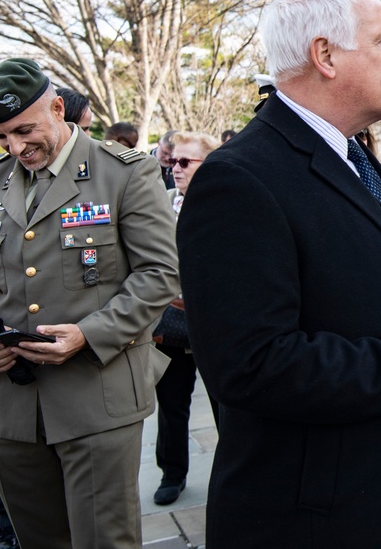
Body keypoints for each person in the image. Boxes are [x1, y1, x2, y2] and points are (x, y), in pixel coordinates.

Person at [175, 0, 381, 548]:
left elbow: (375, 292)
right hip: (322, 520)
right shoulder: (239, 179)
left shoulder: (355, 157)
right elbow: (250, 364)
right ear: (325, 55)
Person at [0, 58, 180, 548]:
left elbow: (160, 274)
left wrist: (88, 334)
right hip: (12, 407)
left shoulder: (123, 173)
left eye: (24, 130)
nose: (16, 148)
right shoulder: (0, 179)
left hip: (96, 397)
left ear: (58, 108)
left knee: (104, 541)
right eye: (3, 139)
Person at [152, 131, 221, 506]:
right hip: (172, 322)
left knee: (226, 405)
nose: (174, 168)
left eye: (184, 162)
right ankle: (172, 473)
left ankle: (234, 477)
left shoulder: (228, 205)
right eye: (172, 161)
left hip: (215, 326)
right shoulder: (159, 204)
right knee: (172, 403)